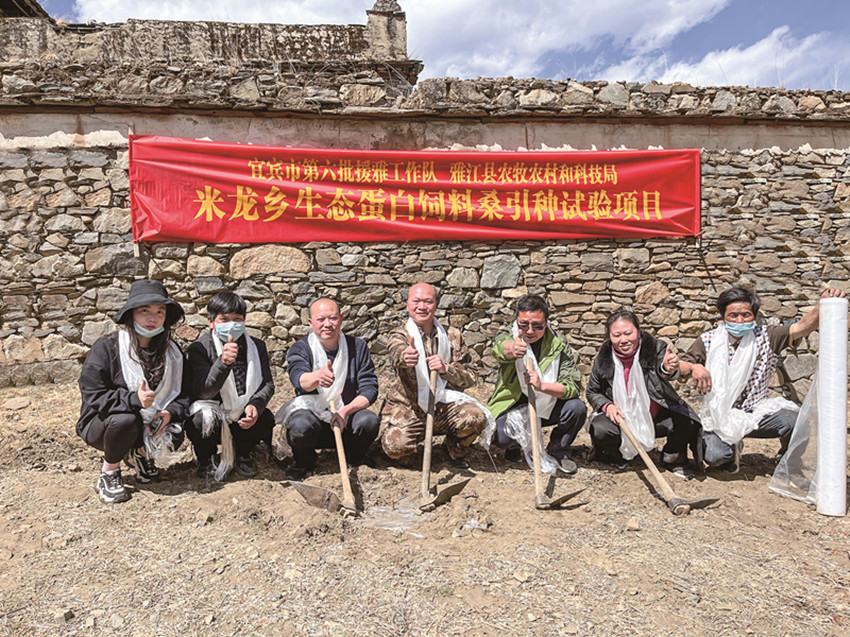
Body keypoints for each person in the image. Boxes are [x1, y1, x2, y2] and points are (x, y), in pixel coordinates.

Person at [679, 286, 846, 472]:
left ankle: (788, 460)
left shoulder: (767, 336)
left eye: (746, 315)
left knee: (795, 421)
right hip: (719, 415)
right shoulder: (708, 340)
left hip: (756, 413)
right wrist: (694, 367)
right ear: (723, 316)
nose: (740, 320)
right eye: (733, 315)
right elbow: (682, 365)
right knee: (716, 456)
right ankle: (730, 450)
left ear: (754, 315)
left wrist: (823, 304)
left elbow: (802, 327)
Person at [77, 279, 189, 504]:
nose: (152, 318)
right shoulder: (107, 347)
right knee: (125, 420)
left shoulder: (173, 352)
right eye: (144, 311)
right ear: (131, 314)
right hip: (106, 424)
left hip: (153, 423)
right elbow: (92, 393)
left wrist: (170, 414)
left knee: (176, 428)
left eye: (159, 312)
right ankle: (109, 472)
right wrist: (133, 399)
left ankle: (142, 455)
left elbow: (185, 393)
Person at [381, 282, 492, 468]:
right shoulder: (400, 335)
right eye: (416, 301)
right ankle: (411, 457)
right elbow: (396, 352)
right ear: (407, 305)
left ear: (436, 305)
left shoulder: (453, 336)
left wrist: (447, 370)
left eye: (428, 301)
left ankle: (453, 450)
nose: (422, 306)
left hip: (443, 405)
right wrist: (406, 356)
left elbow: (471, 376)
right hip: (409, 409)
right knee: (395, 446)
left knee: (476, 417)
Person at [277, 298, 380, 481]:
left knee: (369, 421)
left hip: (345, 418)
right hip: (313, 419)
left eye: (332, 318)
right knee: (299, 426)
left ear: (341, 319)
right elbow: (299, 379)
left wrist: (345, 411)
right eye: (320, 319)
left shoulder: (358, 347)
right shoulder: (300, 349)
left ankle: (354, 456)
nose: (327, 324)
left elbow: (369, 389)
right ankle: (305, 461)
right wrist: (317, 377)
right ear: (311, 323)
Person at [586, 310, 701, 473]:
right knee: (601, 429)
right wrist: (607, 406)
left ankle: (673, 457)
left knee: (686, 419)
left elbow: (666, 369)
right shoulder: (603, 359)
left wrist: (668, 369)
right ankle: (613, 456)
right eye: (617, 335)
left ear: (639, 332)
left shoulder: (655, 349)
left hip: (654, 417)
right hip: (620, 419)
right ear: (610, 337)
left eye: (628, 333)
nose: (623, 340)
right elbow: (592, 391)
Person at [485, 294, 586, 473]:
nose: (530, 331)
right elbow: (499, 349)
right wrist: (512, 349)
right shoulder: (509, 334)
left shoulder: (558, 343)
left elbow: (572, 386)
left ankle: (558, 450)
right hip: (512, 406)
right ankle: (515, 445)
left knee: (577, 408)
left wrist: (542, 386)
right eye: (523, 325)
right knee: (500, 438)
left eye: (537, 326)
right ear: (517, 321)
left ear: (546, 323)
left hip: (547, 405)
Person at [184, 291, 275, 480]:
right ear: (211, 322)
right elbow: (203, 392)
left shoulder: (256, 346)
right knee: (200, 420)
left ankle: (244, 454)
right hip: (216, 414)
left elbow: (267, 384)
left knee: (265, 418)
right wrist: (223, 363)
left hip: (243, 414)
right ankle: (207, 459)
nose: (232, 325)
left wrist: (256, 405)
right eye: (224, 320)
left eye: (237, 319)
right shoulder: (200, 348)